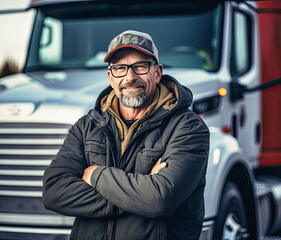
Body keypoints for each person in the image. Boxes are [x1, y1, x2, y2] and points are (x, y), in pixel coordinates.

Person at [43, 30, 209, 240]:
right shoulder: (86, 127)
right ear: (111, 77)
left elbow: (159, 200)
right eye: (120, 68)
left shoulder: (188, 128)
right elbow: (53, 192)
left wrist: (96, 175)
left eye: (140, 66)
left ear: (157, 72)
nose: (130, 77)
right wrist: (141, 192)